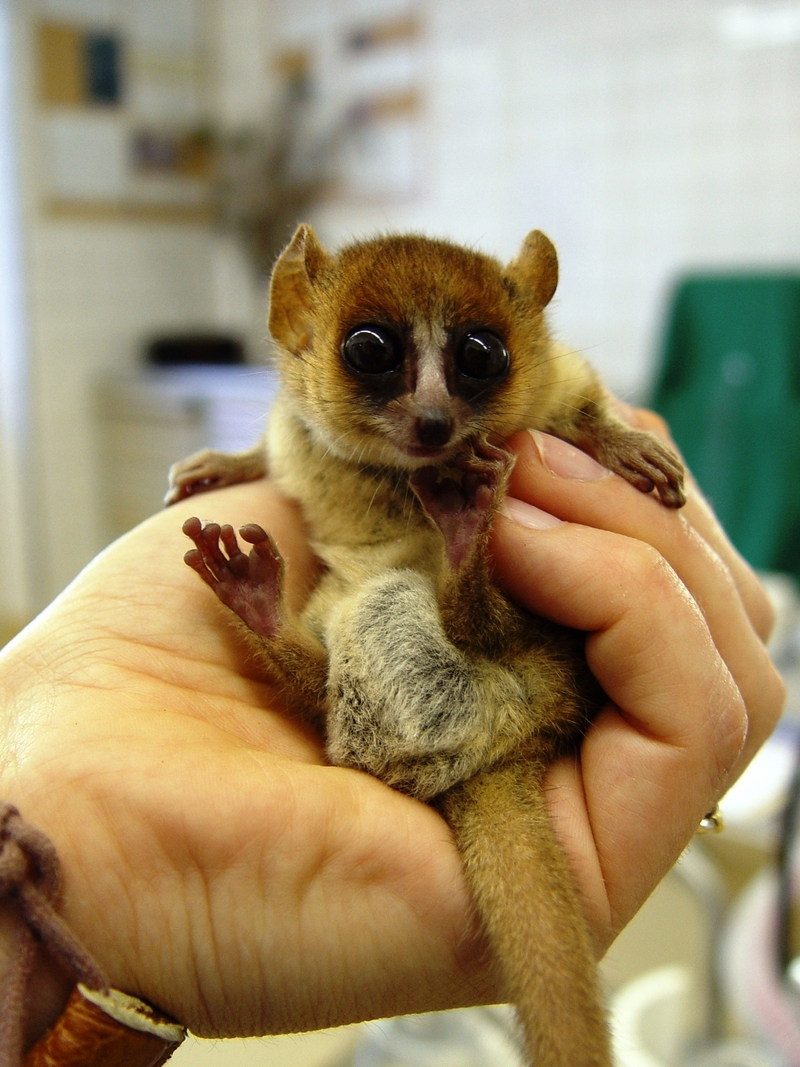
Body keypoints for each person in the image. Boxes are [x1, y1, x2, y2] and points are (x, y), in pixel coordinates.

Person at [0, 405, 785, 1049]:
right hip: (408, 714)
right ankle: (296, 620)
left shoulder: (507, 423)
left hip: (500, 699)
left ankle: (367, 595)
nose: (432, 411)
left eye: (474, 360)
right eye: (374, 353)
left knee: (423, 603)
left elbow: (567, 403)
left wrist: (599, 442)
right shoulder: (311, 436)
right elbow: (304, 426)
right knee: (366, 616)